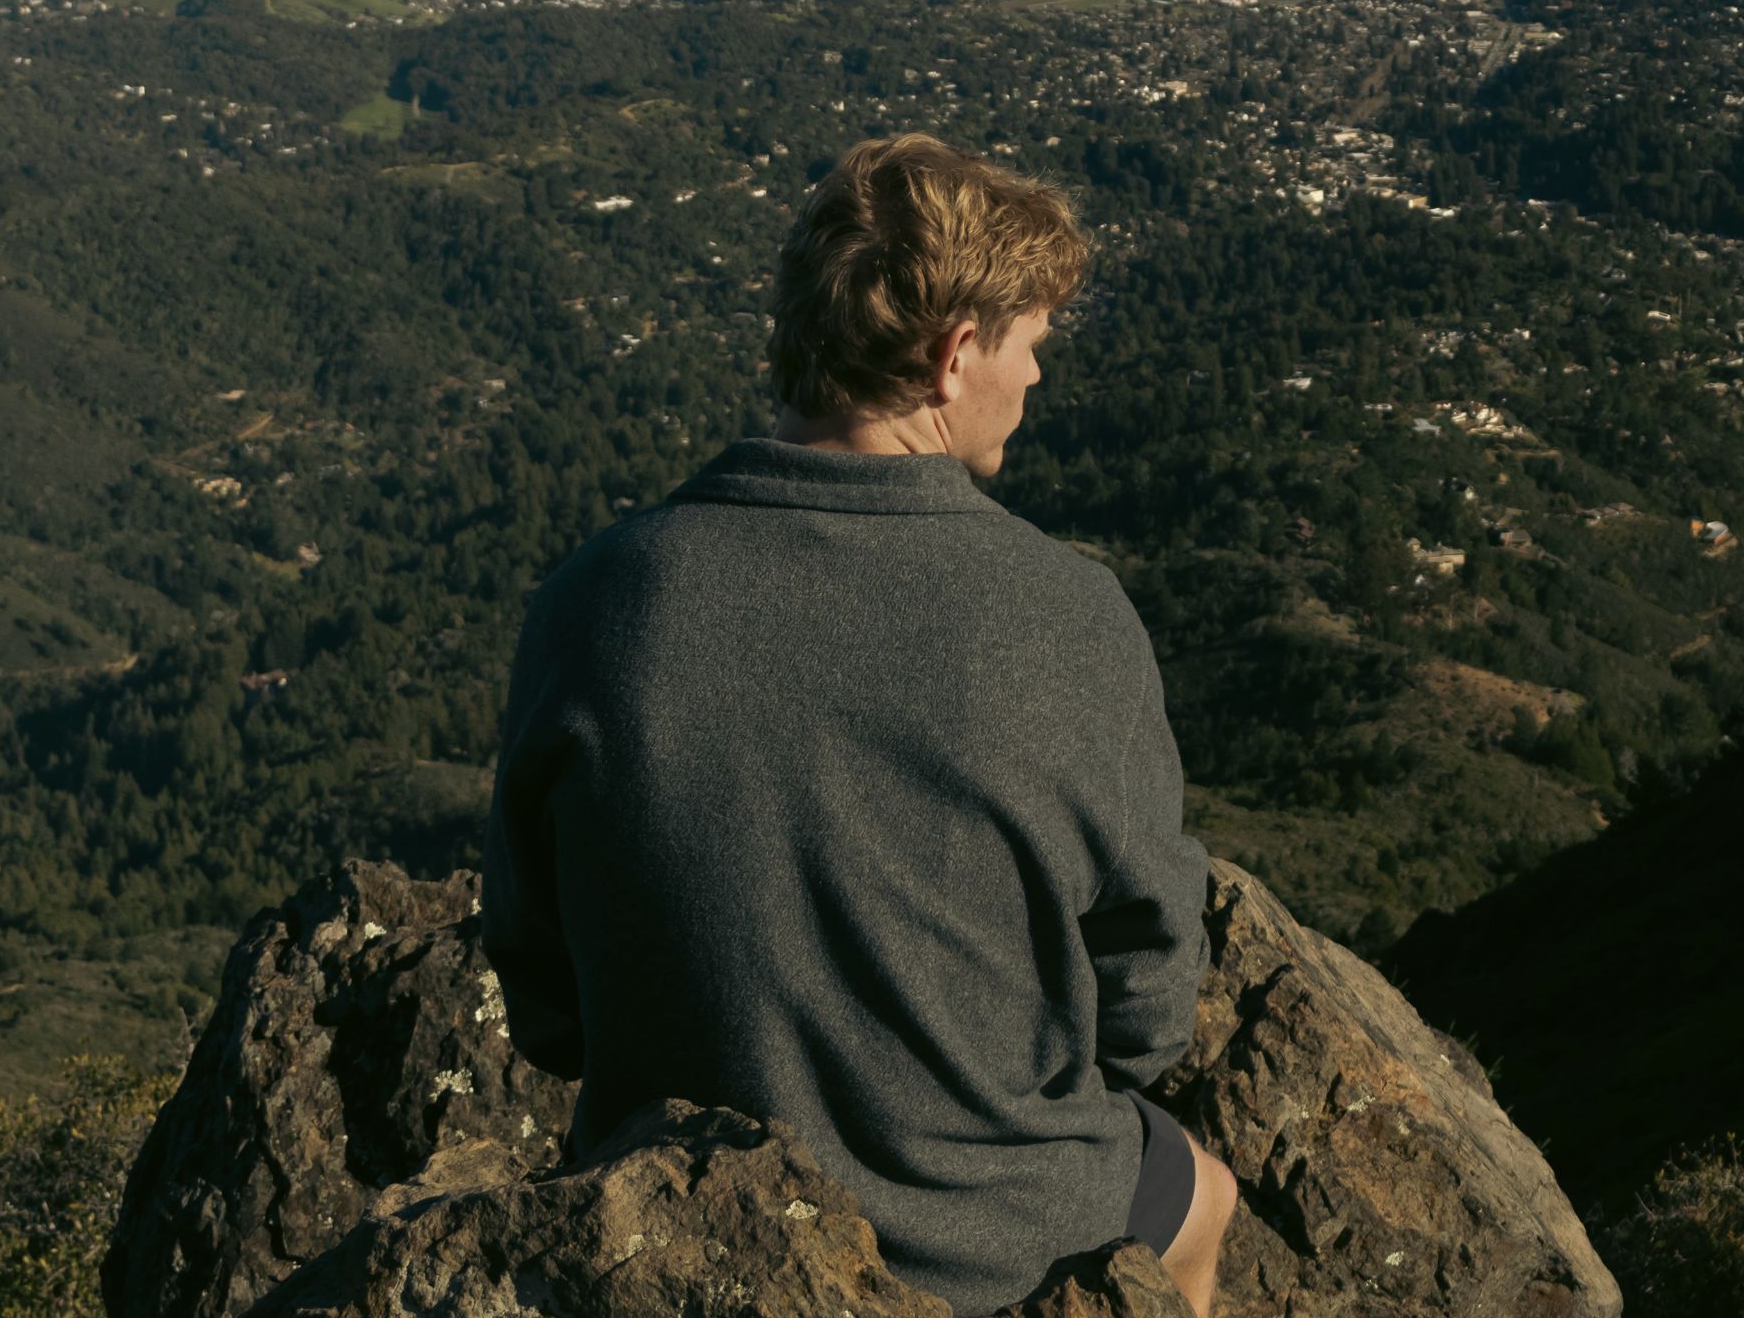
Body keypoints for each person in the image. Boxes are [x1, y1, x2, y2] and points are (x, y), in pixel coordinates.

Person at [481, 133, 1236, 1315]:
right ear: (951, 358)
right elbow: (1145, 1010)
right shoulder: (1071, 618)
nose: (1036, 379)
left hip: (679, 1220)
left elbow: (543, 997)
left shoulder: (591, 604)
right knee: (1205, 1203)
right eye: (1028, 347)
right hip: (996, 1243)